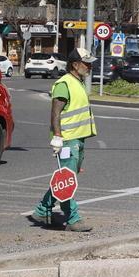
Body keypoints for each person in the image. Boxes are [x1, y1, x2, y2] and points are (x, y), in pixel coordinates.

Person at [29, 47, 97, 232]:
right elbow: (55, 113)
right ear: (75, 65)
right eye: (86, 64)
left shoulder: (77, 82)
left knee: (66, 179)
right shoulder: (64, 84)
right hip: (67, 140)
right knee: (67, 181)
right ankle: (73, 218)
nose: (90, 67)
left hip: (78, 138)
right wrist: (57, 137)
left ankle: (42, 209)